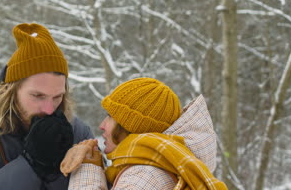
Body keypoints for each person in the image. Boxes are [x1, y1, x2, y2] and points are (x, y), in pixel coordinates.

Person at [0, 23, 94, 190]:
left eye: (57, 97)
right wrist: (30, 165)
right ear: (11, 90)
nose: (49, 109)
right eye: (38, 96)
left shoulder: (77, 132)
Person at [63, 77, 228, 190]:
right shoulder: (162, 168)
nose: (102, 126)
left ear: (133, 126)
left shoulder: (144, 178)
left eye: (111, 117)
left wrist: (87, 169)